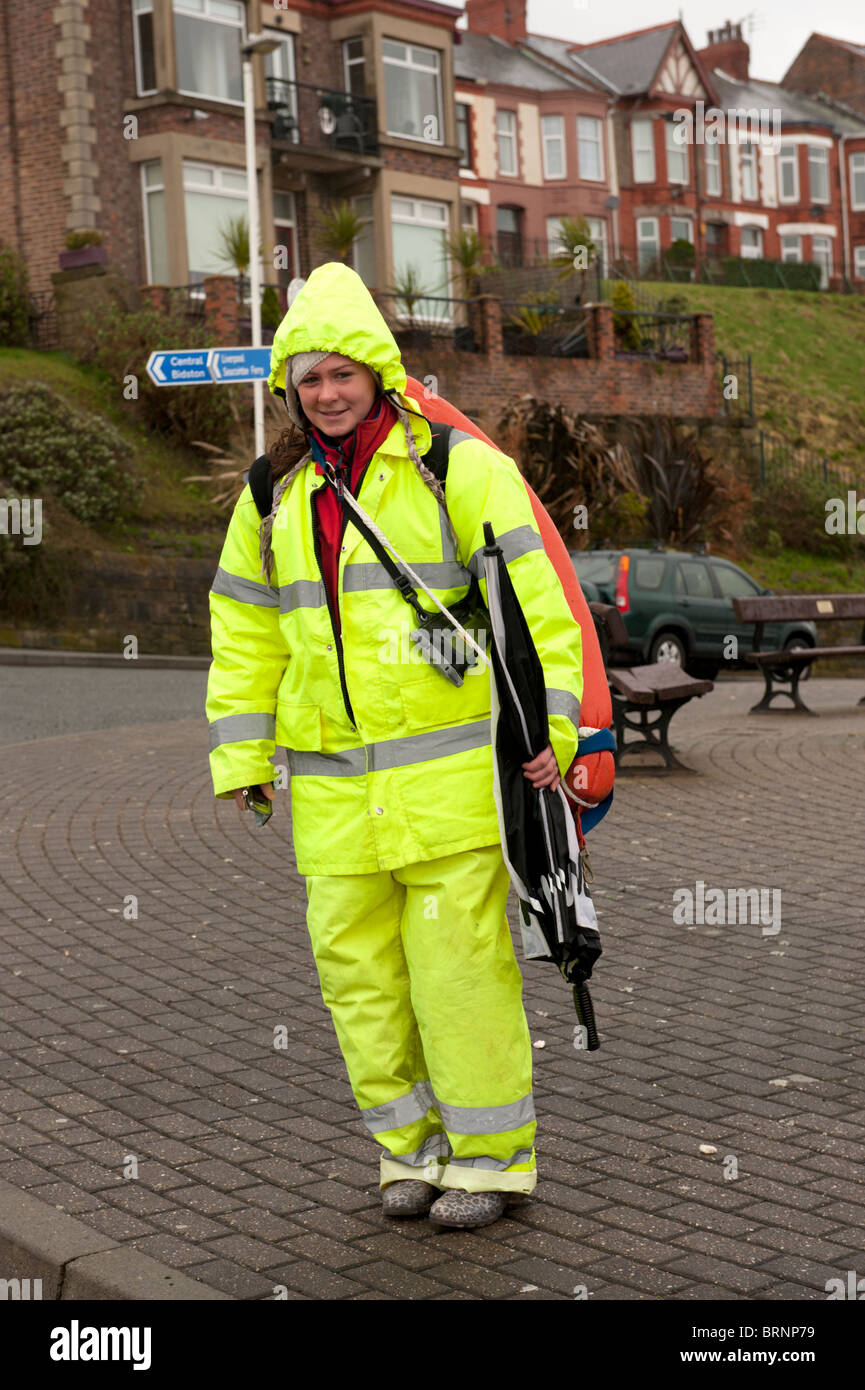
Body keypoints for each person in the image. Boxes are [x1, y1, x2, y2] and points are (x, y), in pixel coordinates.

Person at [206, 262, 583, 1229]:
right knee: (360, 988)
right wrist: (243, 758)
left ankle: (492, 1163)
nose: (327, 393)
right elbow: (245, 633)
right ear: (289, 386)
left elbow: (537, 610)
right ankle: (406, 1155)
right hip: (333, 802)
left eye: (343, 373)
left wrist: (553, 727)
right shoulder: (271, 494)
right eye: (309, 378)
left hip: (450, 787)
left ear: (377, 370)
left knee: (458, 978)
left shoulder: (454, 467)